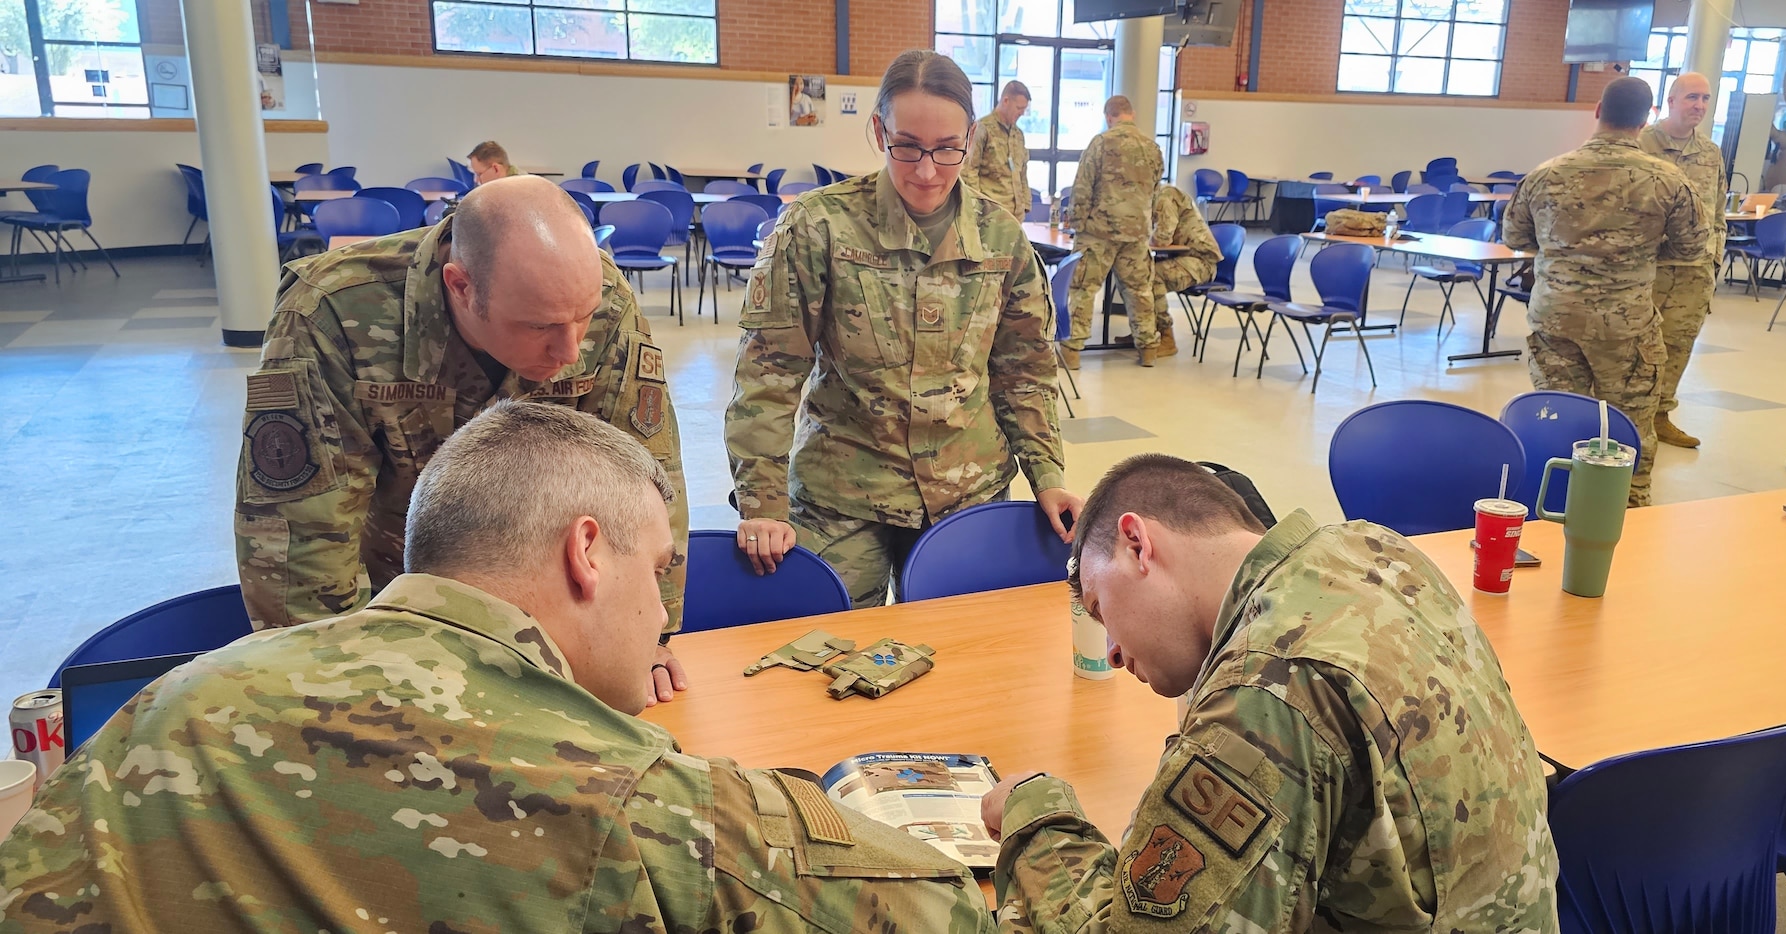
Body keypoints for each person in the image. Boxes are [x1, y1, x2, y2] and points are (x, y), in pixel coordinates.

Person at [0, 402, 995, 933]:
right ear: (585, 552)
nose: (661, 613)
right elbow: (942, 912)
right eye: (655, 571)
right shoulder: (639, 807)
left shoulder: (174, 703)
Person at [984, 454, 1557, 931]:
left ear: (1137, 544)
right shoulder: (1375, 552)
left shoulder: (1266, 690)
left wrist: (1036, 816)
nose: (1109, 647)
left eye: (1100, 608)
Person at [234, 175, 692, 704]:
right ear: (460, 286)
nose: (570, 349)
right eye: (539, 326)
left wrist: (652, 634)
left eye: (582, 319)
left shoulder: (595, 294)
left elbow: (648, 481)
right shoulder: (332, 312)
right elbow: (299, 533)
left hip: (546, 616)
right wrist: (339, 679)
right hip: (390, 597)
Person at [726, 49, 1082, 608]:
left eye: (947, 149)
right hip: (842, 496)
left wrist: (1047, 474)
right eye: (907, 146)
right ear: (878, 131)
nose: (926, 171)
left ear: (971, 136)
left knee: (966, 662)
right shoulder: (818, 227)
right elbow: (768, 377)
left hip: (968, 494)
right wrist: (763, 503)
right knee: (832, 659)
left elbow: (1025, 373)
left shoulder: (1002, 238)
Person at [1503, 76, 1706, 507]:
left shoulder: (1546, 173)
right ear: (1646, 118)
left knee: (1557, 418)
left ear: (1598, 111)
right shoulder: (1669, 181)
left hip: (1555, 318)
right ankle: (1627, 513)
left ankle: (1553, 504)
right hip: (1625, 325)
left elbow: (1516, 235)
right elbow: (1692, 247)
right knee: (1629, 425)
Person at [1639, 72, 1728, 450]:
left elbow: (1719, 208)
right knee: (1640, 346)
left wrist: (1716, 257)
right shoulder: (1642, 145)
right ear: (1671, 101)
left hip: (1695, 272)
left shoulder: (1710, 152)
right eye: (1692, 97)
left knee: (1679, 344)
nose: (1700, 106)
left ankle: (1660, 415)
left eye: (1706, 99)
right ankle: (1632, 419)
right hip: (1650, 269)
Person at [1064, 95, 1165, 368]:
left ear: (1110, 116)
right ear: (1130, 114)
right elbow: (1157, 192)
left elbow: (1083, 186)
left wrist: (1077, 223)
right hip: (1137, 233)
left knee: (1084, 289)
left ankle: (1072, 351)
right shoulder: (1153, 148)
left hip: (1100, 232)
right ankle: (1148, 349)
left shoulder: (1101, 142)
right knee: (1140, 291)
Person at [1148, 181, 1222, 358]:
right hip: (1180, 257)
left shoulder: (1165, 195)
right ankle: (1144, 331)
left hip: (1200, 262)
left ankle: (1166, 337)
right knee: (1132, 272)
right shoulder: (1148, 196)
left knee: (1152, 276)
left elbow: (1162, 238)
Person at [968, 80, 1034, 219]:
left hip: (1015, 215)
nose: (1021, 113)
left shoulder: (1018, 134)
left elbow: (1022, 172)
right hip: (990, 215)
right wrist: (978, 208)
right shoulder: (982, 128)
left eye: (1024, 109)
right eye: (1018, 108)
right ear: (1006, 101)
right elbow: (969, 170)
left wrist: (1026, 204)